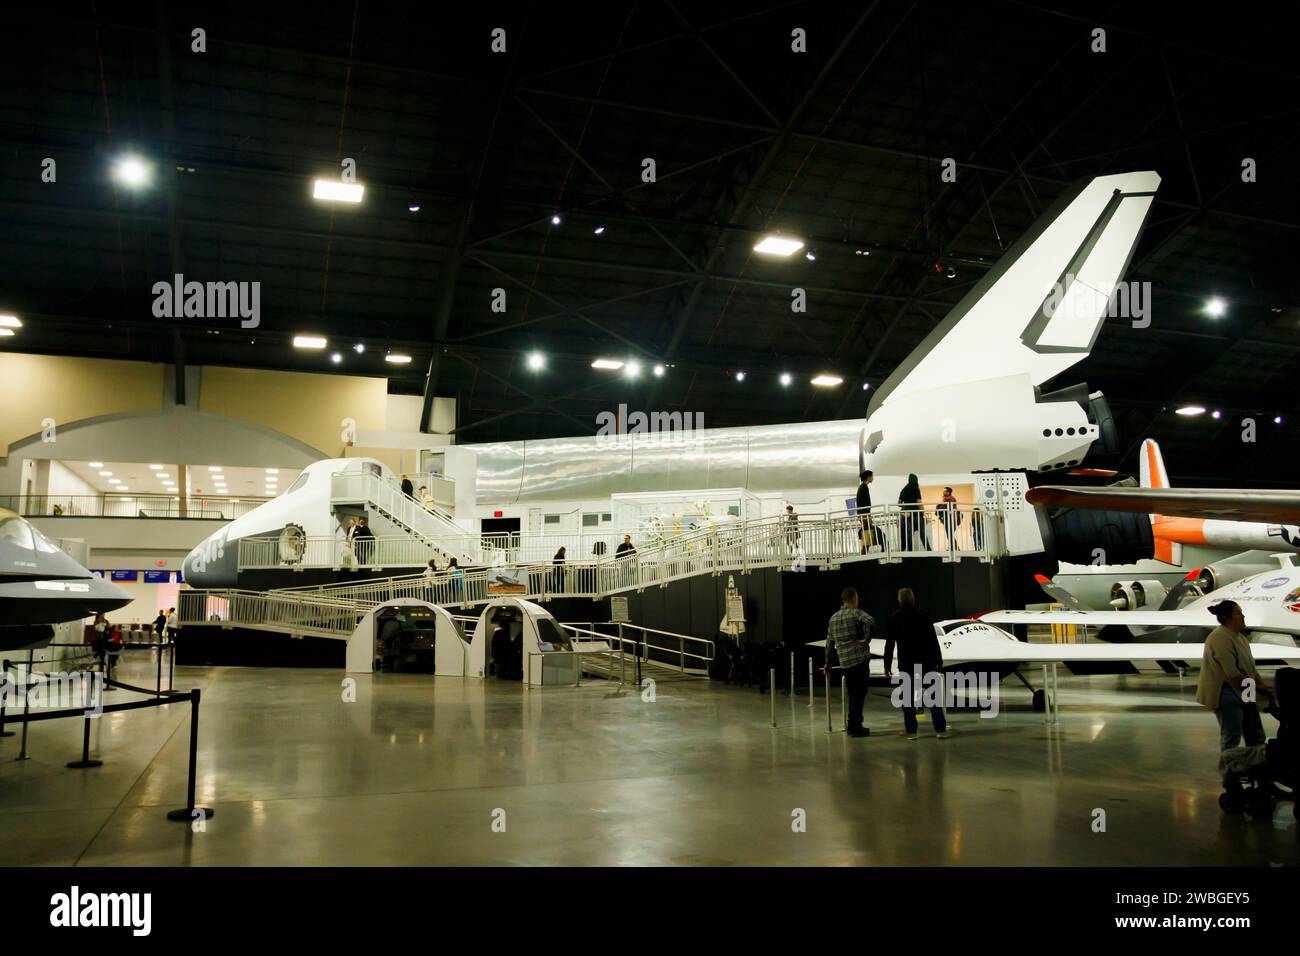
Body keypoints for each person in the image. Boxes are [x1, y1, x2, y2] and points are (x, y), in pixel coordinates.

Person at [1196, 600, 1274, 751]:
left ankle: (1255, 763)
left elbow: (1250, 668)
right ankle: (1229, 768)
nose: (1243, 616)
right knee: (1232, 735)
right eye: (1238, 613)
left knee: (1255, 732)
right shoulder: (1220, 637)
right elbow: (1232, 673)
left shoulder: (1240, 637)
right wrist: (1260, 688)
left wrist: (1261, 685)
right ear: (1227, 617)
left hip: (1246, 687)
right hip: (1226, 692)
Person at [884, 588, 949, 739]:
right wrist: (938, 660)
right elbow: (933, 639)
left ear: (900, 600)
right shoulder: (924, 615)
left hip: (907, 663)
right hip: (926, 661)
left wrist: (887, 665)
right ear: (913, 599)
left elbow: (890, 644)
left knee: (907, 698)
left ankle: (911, 731)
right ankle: (940, 730)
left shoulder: (895, 617)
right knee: (934, 696)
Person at [822, 587, 875, 737]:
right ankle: (855, 726)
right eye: (857, 598)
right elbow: (870, 621)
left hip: (845, 662)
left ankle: (853, 724)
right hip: (859, 659)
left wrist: (828, 663)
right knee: (859, 694)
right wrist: (867, 639)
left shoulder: (833, 618)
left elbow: (829, 644)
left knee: (852, 693)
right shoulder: (856, 613)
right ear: (853, 598)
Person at [898, 473, 929, 551]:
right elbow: (919, 502)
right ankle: (928, 549)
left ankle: (909, 550)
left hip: (906, 515)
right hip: (916, 514)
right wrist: (923, 512)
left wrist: (906, 506)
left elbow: (899, 504)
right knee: (922, 532)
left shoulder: (903, 489)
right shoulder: (916, 488)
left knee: (909, 534)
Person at [856, 470, 875, 553]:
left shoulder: (863, 487)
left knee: (868, 535)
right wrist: (866, 516)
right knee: (867, 536)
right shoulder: (864, 487)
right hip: (864, 515)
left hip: (864, 514)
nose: (873, 478)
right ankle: (864, 554)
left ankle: (864, 553)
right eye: (872, 476)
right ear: (868, 477)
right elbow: (864, 504)